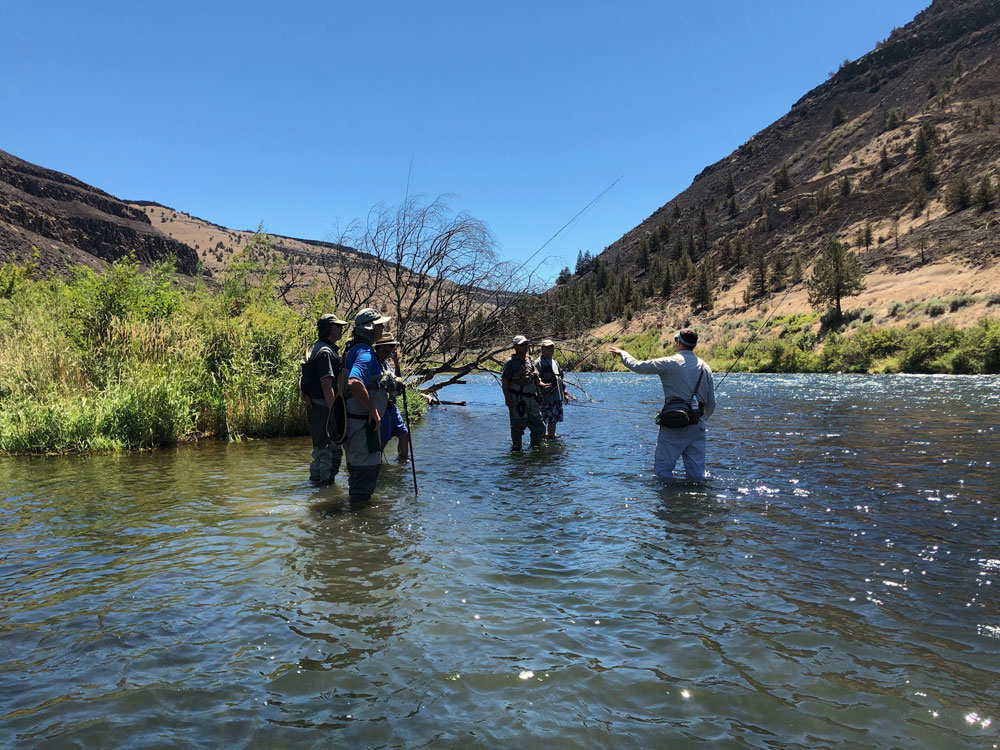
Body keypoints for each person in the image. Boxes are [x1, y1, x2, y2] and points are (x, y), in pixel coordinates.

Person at [608, 328, 716, 480]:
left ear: (678, 343)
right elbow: (711, 403)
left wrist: (623, 354)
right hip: (697, 425)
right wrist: (699, 420)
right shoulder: (706, 367)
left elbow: (638, 366)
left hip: (673, 425)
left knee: (663, 472)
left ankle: (669, 500)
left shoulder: (669, 362)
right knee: (698, 475)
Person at [340, 308, 391, 503]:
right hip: (364, 428)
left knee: (357, 474)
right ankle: (359, 521)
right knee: (365, 473)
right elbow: (354, 382)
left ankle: (354, 513)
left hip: (353, 425)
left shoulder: (352, 348)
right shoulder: (365, 352)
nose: (383, 328)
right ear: (370, 328)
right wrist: (373, 410)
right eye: (380, 325)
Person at [299, 313, 347, 484]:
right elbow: (327, 386)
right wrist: (334, 414)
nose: (342, 329)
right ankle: (325, 490)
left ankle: (317, 485)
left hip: (317, 407)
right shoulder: (325, 352)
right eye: (338, 326)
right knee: (328, 450)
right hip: (324, 408)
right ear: (329, 329)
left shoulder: (318, 347)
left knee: (322, 449)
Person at [501, 334, 545, 451]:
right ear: (515, 347)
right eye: (522, 345)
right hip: (517, 400)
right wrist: (507, 399)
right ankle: (517, 450)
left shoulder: (530, 361)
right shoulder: (510, 363)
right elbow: (504, 381)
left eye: (526, 344)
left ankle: (535, 449)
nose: (525, 347)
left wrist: (541, 386)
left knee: (539, 426)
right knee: (518, 426)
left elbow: (535, 379)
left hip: (532, 399)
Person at [374, 333, 410, 462]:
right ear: (380, 347)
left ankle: (403, 461)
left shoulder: (386, 363)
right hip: (382, 408)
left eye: (392, 347)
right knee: (383, 440)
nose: (390, 350)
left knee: (404, 434)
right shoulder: (374, 363)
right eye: (388, 347)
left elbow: (397, 381)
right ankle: (374, 464)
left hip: (392, 407)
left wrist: (396, 364)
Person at [534, 338, 570, 438]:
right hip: (545, 399)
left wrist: (565, 393)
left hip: (557, 398)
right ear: (542, 349)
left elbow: (560, 380)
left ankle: (551, 438)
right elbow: (534, 380)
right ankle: (542, 440)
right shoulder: (538, 363)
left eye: (552, 347)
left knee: (553, 421)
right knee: (544, 420)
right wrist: (540, 394)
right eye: (548, 347)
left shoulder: (555, 362)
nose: (551, 349)